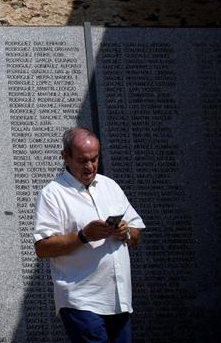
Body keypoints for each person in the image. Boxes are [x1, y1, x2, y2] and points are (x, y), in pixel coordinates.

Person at [34, 127, 145, 343]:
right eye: (82, 160)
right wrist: (84, 236)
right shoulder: (53, 193)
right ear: (64, 156)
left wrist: (125, 232)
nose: (89, 167)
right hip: (81, 300)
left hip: (119, 299)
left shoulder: (110, 186)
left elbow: (136, 234)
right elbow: (42, 247)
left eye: (94, 159)